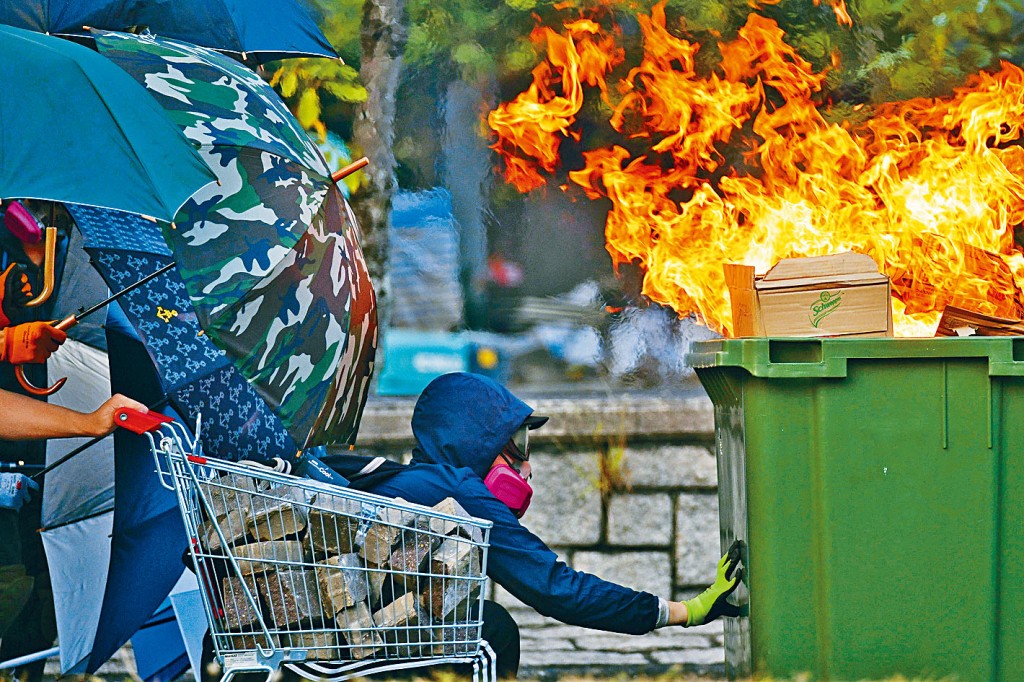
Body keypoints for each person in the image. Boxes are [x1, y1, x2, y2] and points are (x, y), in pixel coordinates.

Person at [315, 372, 744, 679]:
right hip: (344, 649)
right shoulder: (457, 490)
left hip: (338, 640)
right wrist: (684, 611)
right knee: (489, 636)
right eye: (517, 445)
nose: (528, 466)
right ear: (474, 441)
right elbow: (555, 589)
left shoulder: (416, 481)